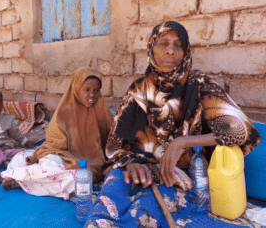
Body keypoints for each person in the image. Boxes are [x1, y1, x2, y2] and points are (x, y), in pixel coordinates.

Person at [85, 21, 261, 228]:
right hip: (139, 168)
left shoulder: (199, 84)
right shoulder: (139, 89)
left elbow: (243, 131)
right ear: (151, 48)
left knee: (146, 211)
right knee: (109, 198)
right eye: (163, 43)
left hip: (180, 175)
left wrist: (183, 142)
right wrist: (131, 163)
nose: (170, 51)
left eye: (178, 45)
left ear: (186, 51)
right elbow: (115, 144)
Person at [0, 67, 114, 199]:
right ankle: (20, 177)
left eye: (96, 91)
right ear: (76, 89)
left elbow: (111, 141)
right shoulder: (64, 111)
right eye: (87, 90)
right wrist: (69, 159)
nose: (92, 95)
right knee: (41, 164)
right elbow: (54, 146)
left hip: (88, 164)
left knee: (79, 180)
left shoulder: (101, 111)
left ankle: (20, 180)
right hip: (63, 157)